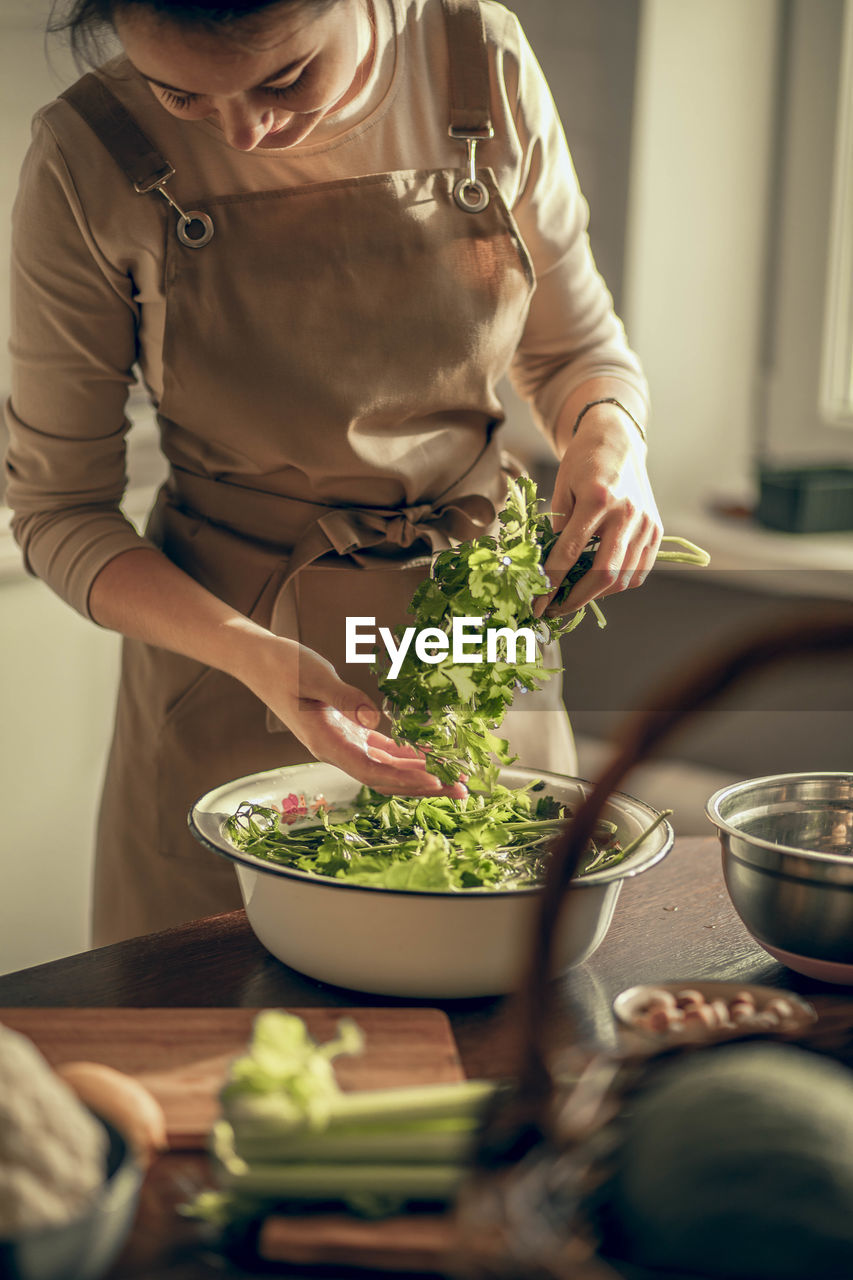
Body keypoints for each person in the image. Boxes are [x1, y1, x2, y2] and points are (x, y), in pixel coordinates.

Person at [4, 0, 661, 945]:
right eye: (179, 94)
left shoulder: (479, 63)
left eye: (283, 79)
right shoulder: (85, 155)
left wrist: (609, 438)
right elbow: (58, 511)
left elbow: (576, 351)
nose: (245, 131)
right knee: (220, 1030)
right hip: (228, 658)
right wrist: (256, 659)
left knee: (496, 1020)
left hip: (472, 638)